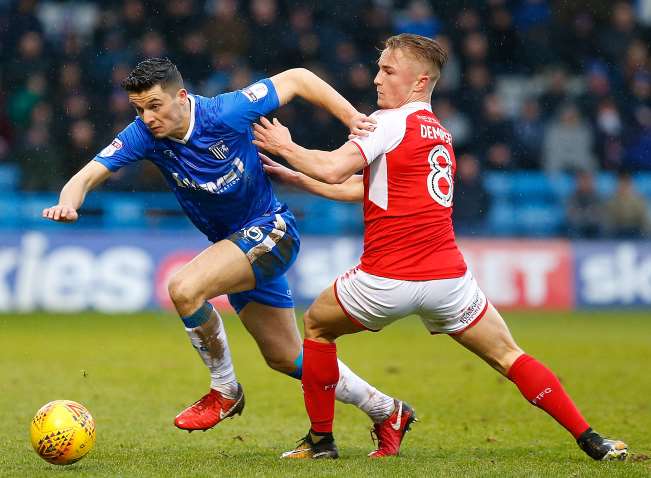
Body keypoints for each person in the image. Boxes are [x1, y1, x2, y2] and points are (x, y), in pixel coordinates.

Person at [252, 33, 629, 461]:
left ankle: (321, 441)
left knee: (317, 326)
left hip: (386, 279)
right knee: (509, 355)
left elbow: (336, 169)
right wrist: (302, 180)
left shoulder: (389, 122)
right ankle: (591, 439)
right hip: (449, 282)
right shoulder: (440, 134)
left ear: (419, 82)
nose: (376, 79)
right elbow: (375, 190)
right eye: (378, 68)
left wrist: (286, 147)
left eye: (388, 71)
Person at [42, 58, 413, 457]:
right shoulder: (143, 136)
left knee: (184, 289)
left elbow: (298, 79)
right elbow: (88, 174)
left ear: (182, 98)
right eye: (138, 109)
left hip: (272, 230)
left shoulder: (226, 111)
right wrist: (68, 203)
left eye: (154, 106)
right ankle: (387, 410)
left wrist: (352, 117)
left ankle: (225, 391)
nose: (147, 118)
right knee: (286, 359)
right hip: (240, 247)